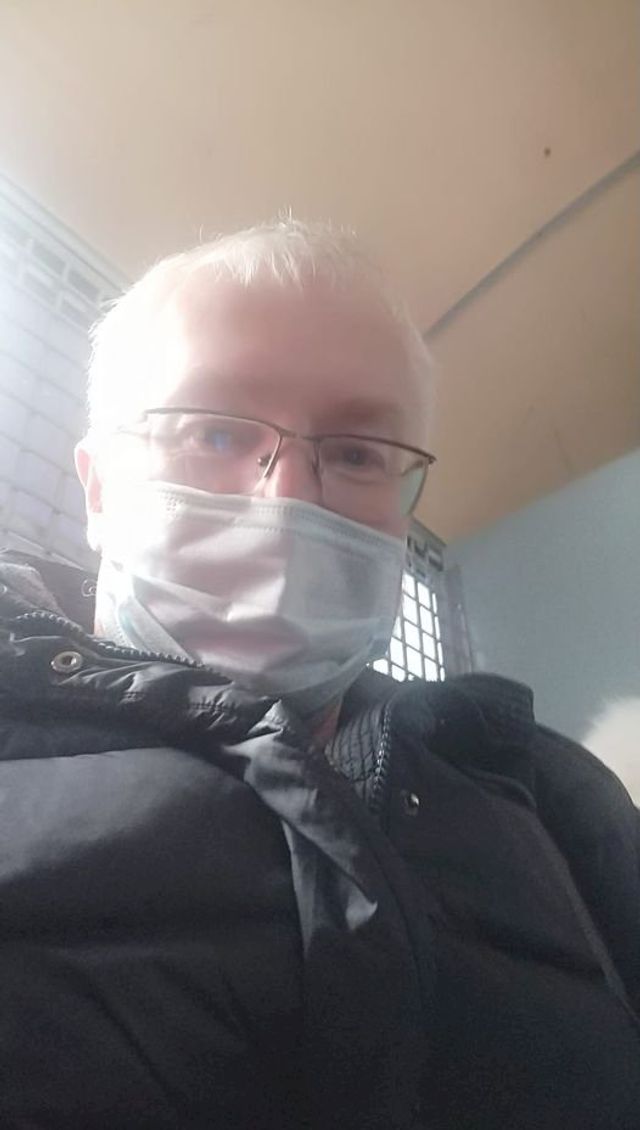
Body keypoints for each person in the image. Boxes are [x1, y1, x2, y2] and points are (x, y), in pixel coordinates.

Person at [0, 220, 638, 1130]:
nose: (289, 498)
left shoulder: (549, 794)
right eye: (216, 432)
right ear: (100, 488)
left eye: (354, 454)